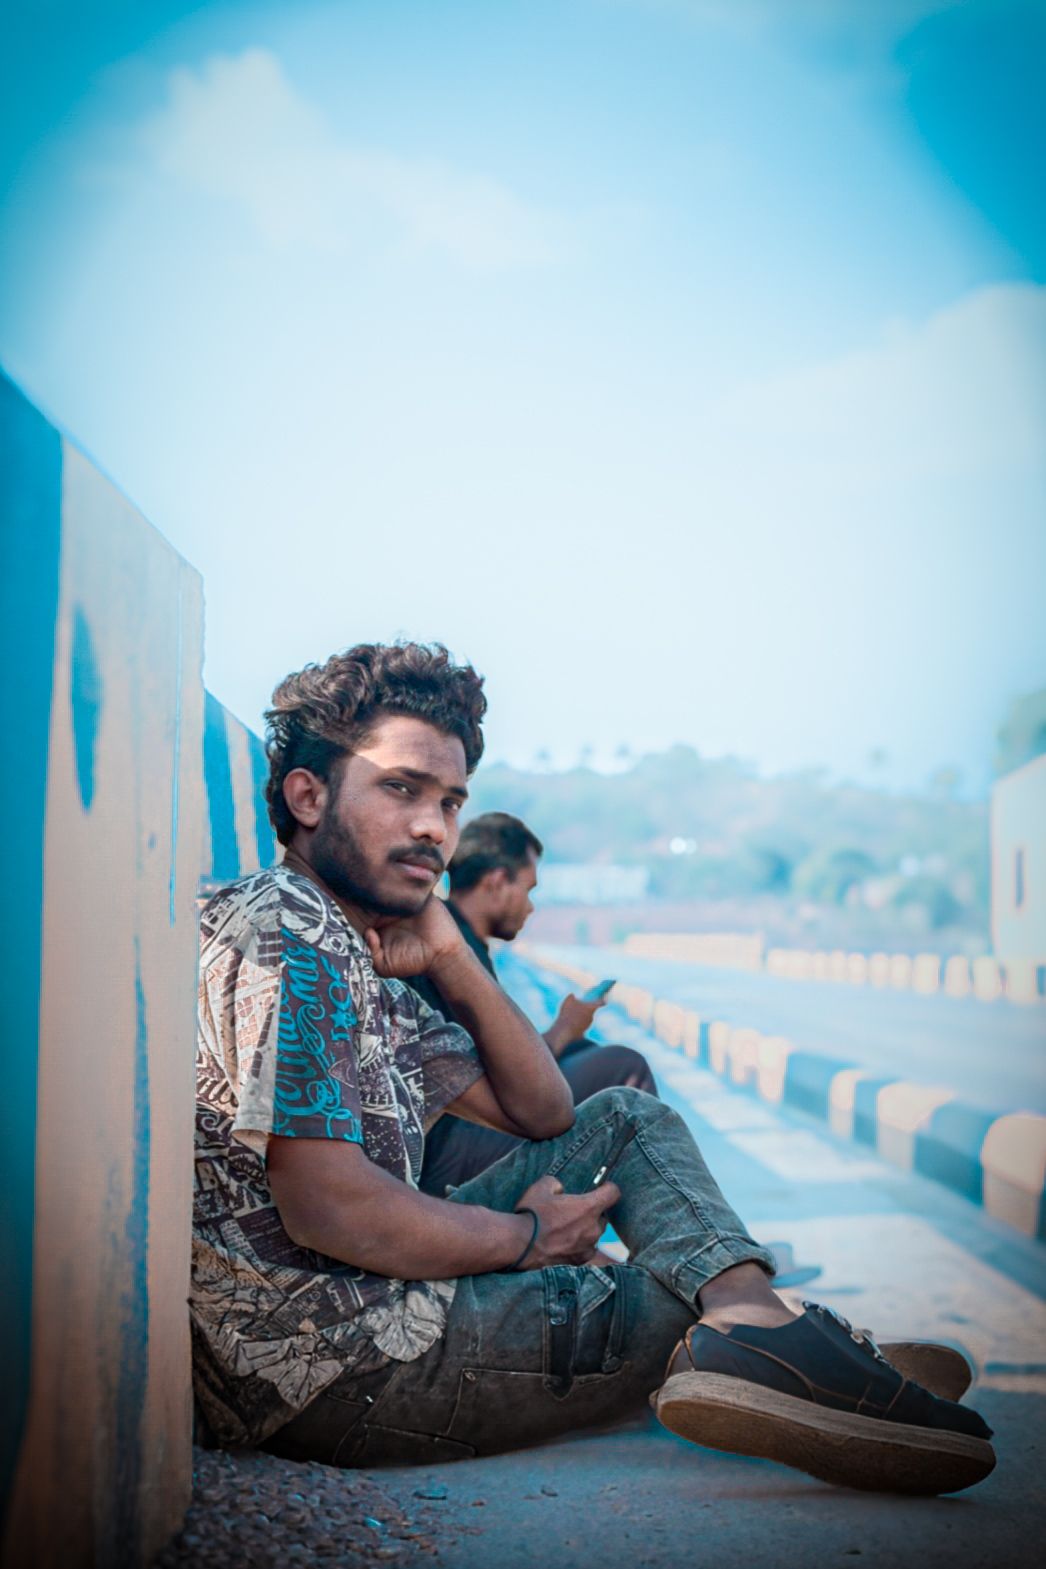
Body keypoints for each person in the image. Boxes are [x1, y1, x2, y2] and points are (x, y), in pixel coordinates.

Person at [192, 641, 994, 1496]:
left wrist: (453, 958)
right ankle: (782, 1343)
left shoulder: (358, 947)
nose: (434, 827)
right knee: (679, 1284)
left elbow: (546, 1114)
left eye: (451, 801)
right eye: (400, 788)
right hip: (338, 1368)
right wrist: (528, 1240)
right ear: (307, 795)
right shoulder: (292, 933)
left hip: (376, 1308)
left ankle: (762, 1336)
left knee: (624, 1115)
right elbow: (330, 1209)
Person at [411, 811, 657, 1197]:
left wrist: (567, 1037)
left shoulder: (459, 939)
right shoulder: (451, 950)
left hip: (456, 1131)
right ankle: (646, 1229)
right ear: (497, 882)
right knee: (624, 1069)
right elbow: (483, 1076)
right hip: (441, 1148)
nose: (530, 907)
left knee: (583, 1052)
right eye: (528, 889)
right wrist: (560, 1031)